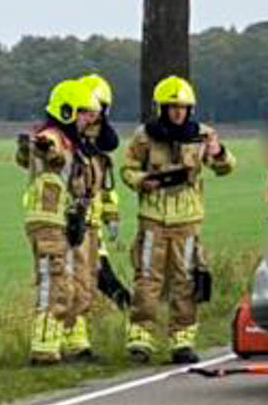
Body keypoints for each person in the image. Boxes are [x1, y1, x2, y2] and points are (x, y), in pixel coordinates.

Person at [121, 76, 234, 364]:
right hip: (153, 220)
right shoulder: (144, 136)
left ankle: (182, 341)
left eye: (182, 108)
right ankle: (140, 339)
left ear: (190, 109)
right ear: (161, 108)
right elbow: (127, 169)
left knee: (186, 280)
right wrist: (142, 181)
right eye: (172, 108)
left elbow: (225, 168)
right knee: (147, 279)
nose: (177, 113)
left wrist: (218, 152)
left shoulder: (203, 135)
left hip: (187, 221)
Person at [19, 79, 103, 365]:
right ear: (67, 111)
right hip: (49, 221)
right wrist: (42, 146)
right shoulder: (50, 137)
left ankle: (69, 343)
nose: (89, 120)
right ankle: (43, 348)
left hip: (68, 222)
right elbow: (44, 149)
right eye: (84, 114)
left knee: (77, 284)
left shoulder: (76, 144)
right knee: (54, 283)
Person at [68, 73, 122, 362]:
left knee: (88, 280)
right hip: (73, 223)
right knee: (80, 281)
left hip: (92, 223)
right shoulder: (69, 142)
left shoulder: (97, 146)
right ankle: (75, 341)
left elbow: (103, 186)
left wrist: (111, 215)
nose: (94, 116)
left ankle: (79, 340)